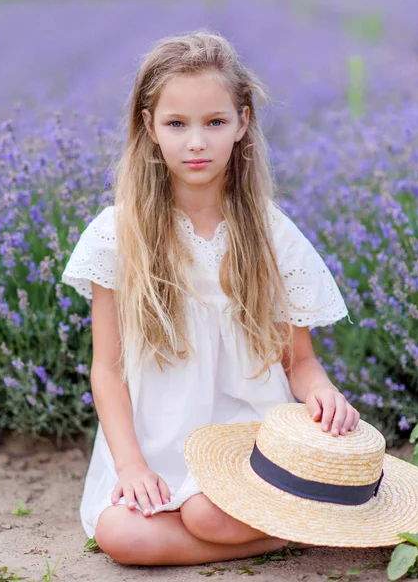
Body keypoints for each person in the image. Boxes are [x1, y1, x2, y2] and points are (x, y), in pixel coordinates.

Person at [61, 30, 359, 567]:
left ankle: (257, 518)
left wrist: (324, 392)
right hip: (156, 445)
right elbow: (107, 370)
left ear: (242, 122)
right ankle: (300, 526)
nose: (196, 142)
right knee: (120, 535)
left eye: (215, 122)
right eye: (177, 123)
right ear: (149, 127)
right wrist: (130, 466)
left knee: (205, 513)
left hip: (248, 441)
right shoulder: (116, 235)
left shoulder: (270, 233)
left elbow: (300, 360)